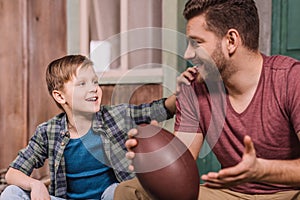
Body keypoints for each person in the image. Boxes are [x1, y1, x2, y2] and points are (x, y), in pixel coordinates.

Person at [115, 0, 300, 199]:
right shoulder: (193, 89)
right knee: (129, 191)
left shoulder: (290, 78)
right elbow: (181, 162)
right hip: (231, 195)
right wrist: (154, 152)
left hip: (289, 193)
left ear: (230, 41)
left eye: (196, 42)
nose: (187, 53)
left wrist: (262, 169)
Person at [0, 55, 177, 200]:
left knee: (115, 191)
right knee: (11, 193)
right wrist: (35, 184)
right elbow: (12, 173)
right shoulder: (48, 131)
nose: (93, 89)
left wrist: (183, 94)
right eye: (82, 84)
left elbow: (158, 110)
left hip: (108, 198)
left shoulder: (116, 116)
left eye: (95, 82)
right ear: (60, 96)